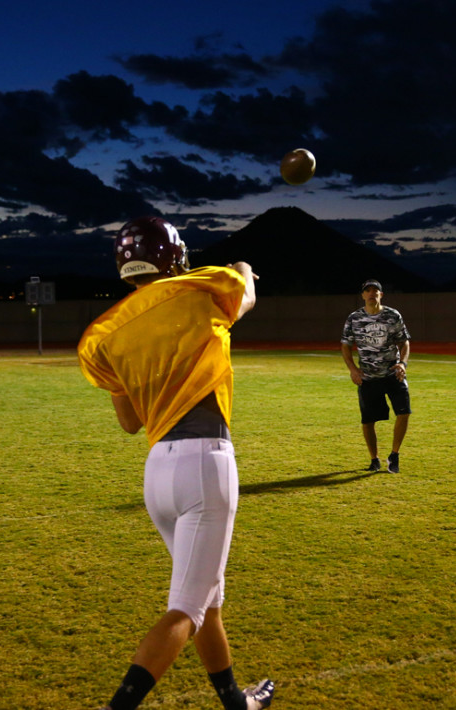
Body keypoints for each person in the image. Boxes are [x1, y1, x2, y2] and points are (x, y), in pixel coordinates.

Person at [77, 216, 275, 710]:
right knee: (187, 608)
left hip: (158, 474)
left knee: (208, 600)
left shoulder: (102, 333)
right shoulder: (202, 286)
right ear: (174, 255)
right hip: (204, 464)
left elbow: (129, 422)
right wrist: (245, 268)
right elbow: (245, 293)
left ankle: (236, 701)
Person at [341, 279, 411, 473]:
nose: (372, 293)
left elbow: (404, 342)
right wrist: (353, 369)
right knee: (368, 420)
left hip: (392, 373)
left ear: (381, 294)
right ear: (363, 295)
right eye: (368, 291)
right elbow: (346, 345)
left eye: (376, 290)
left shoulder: (392, 315)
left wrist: (402, 363)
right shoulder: (354, 318)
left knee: (404, 412)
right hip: (368, 377)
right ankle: (374, 459)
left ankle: (394, 455)